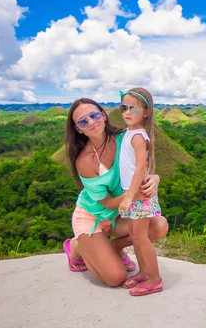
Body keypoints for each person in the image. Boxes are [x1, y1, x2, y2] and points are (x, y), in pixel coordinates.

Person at [62, 98, 169, 287]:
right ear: (78, 129)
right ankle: (76, 246)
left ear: (103, 115)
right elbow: (107, 203)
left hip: (120, 214)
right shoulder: (84, 161)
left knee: (159, 226)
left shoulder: (125, 139)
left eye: (94, 115)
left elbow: (141, 169)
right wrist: (133, 195)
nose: (91, 122)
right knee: (115, 277)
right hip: (93, 216)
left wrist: (155, 178)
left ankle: (113, 246)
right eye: (83, 121)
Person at [118, 88, 163, 296]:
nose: (127, 112)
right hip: (134, 194)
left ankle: (155, 279)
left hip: (138, 196)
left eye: (133, 108)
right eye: (123, 107)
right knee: (135, 236)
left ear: (145, 112)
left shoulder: (138, 136)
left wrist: (128, 197)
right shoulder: (129, 132)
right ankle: (144, 271)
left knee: (141, 238)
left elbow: (140, 168)